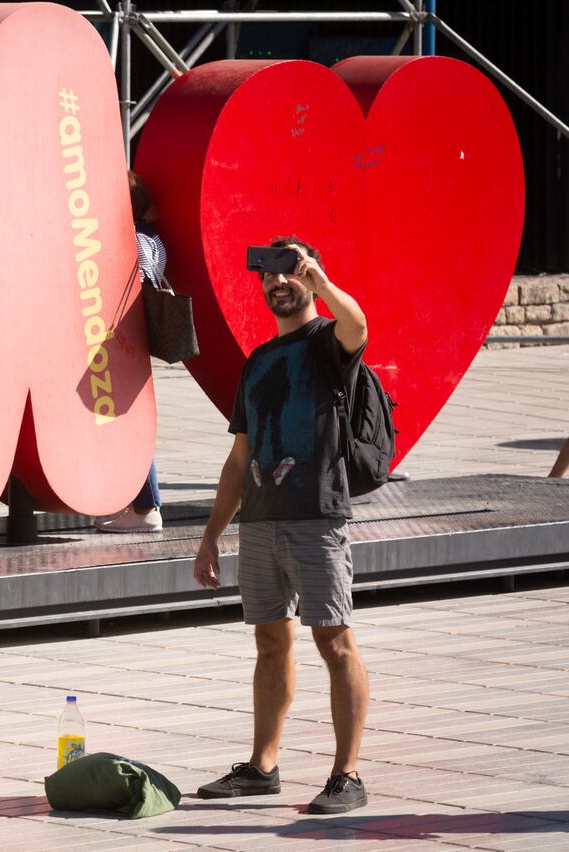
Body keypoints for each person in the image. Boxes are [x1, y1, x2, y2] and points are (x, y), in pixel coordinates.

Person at [192, 237, 371, 815]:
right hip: (263, 523)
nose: (279, 284)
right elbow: (239, 457)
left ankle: (347, 775)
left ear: (309, 278)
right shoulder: (259, 361)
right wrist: (212, 534)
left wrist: (320, 280)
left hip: (318, 515)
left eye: (290, 272)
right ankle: (262, 767)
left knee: (334, 641)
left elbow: (358, 324)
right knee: (270, 641)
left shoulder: (328, 343)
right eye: (270, 276)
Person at [97, 171, 166, 534]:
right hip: (133, 340)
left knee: (127, 421)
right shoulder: (152, 236)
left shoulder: (132, 238)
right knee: (127, 417)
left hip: (121, 340)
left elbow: (138, 279)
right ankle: (137, 503)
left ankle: (145, 507)